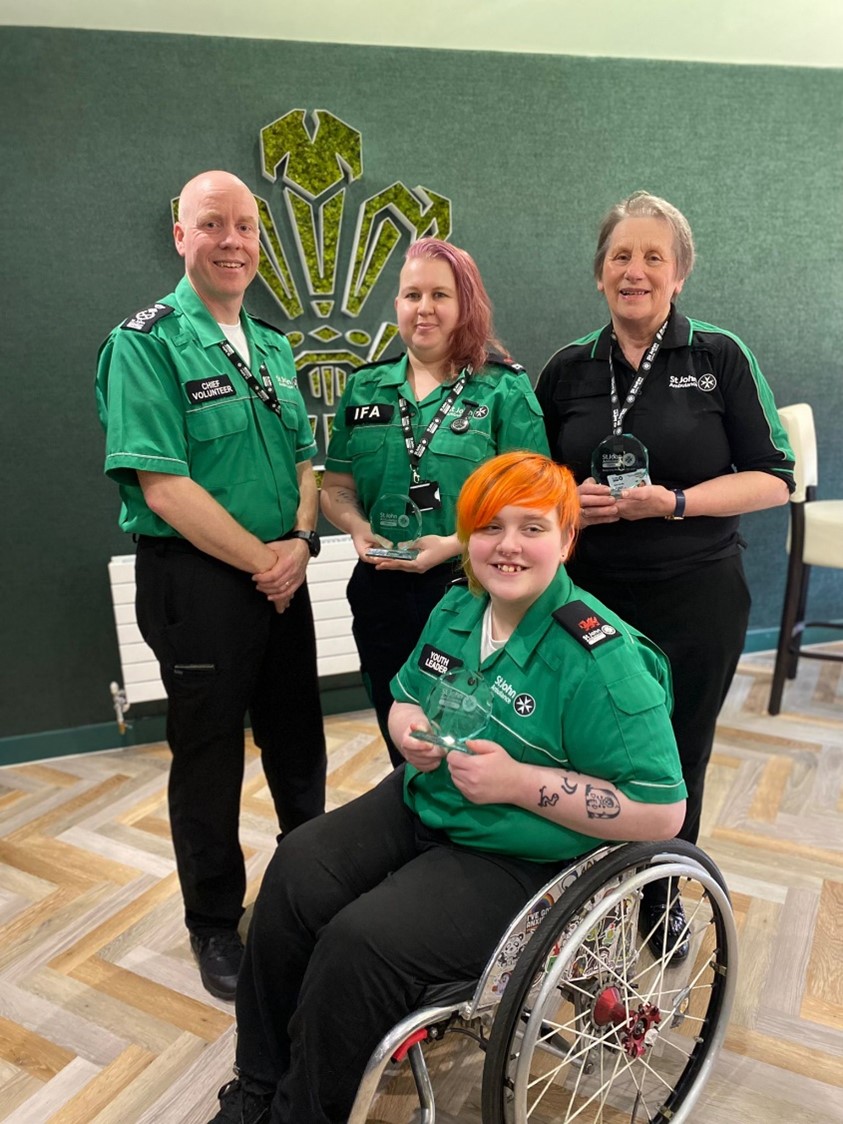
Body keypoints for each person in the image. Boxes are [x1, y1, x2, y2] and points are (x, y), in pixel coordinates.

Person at [209, 451, 686, 1124]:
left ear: (566, 538)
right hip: (427, 800)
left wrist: (521, 783)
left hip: (520, 854)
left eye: (531, 527)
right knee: (295, 871)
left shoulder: (601, 662)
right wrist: (407, 728)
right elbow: (408, 694)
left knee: (361, 942)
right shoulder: (460, 607)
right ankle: (258, 1084)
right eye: (489, 528)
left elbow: (661, 811)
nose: (508, 546)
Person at [536, 189, 794, 953]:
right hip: (588, 600)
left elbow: (774, 478)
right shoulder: (566, 369)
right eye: (621, 256)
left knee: (677, 755)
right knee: (584, 749)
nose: (635, 270)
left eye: (653, 257)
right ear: (598, 273)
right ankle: (579, 900)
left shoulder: (718, 357)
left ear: (678, 272)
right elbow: (530, 480)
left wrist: (674, 502)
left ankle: (660, 897)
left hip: (696, 594)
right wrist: (565, 500)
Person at [95, 170, 327, 1000]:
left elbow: (306, 460)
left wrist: (299, 541)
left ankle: (312, 894)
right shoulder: (145, 342)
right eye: (213, 225)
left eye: (245, 228)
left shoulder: (270, 344)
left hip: (284, 572)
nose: (232, 241)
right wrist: (266, 561)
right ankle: (213, 924)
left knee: (300, 745)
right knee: (209, 760)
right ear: (180, 236)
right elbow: (164, 487)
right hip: (199, 585)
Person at [321, 237, 549, 766]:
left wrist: (452, 544)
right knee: (402, 735)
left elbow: (534, 500)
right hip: (381, 591)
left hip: (473, 592)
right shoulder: (364, 388)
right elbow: (336, 487)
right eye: (411, 294)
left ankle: (470, 841)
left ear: (465, 304)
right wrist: (356, 527)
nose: (423, 308)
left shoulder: (503, 389)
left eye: (440, 295)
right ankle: (415, 831)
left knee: (472, 739)